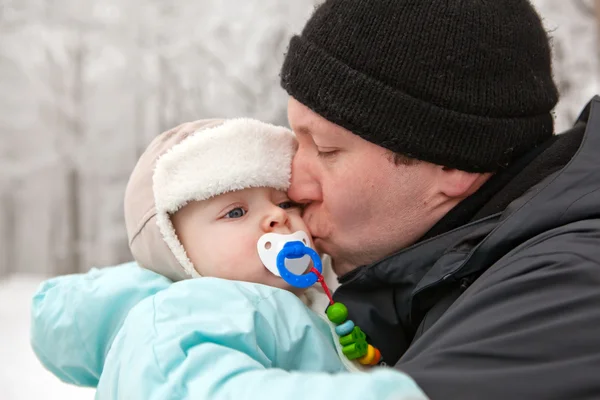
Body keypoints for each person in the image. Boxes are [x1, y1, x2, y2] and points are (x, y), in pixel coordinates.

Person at [33, 0, 600, 398]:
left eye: (325, 150)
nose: (293, 187)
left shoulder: (568, 291)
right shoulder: (427, 267)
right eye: (293, 139)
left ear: (451, 164)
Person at [30, 118, 428, 400]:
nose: (278, 217)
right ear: (177, 250)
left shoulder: (304, 300)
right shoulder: (182, 315)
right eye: (235, 212)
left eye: (284, 201)